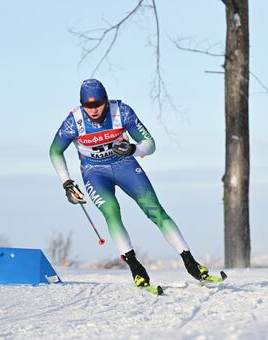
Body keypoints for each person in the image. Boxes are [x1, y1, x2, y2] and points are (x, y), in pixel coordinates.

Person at [49, 79, 221, 288]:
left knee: (155, 210)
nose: (94, 110)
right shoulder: (72, 122)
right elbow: (55, 151)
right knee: (111, 210)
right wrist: (67, 183)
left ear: (106, 99)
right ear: (82, 104)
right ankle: (135, 268)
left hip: (125, 166)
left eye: (98, 104)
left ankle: (190, 263)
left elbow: (150, 144)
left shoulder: (122, 112)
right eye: (88, 106)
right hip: (94, 172)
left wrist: (133, 149)